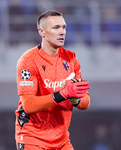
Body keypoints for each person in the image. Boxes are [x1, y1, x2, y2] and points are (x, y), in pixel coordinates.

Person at [15, 10, 90, 150]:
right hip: (33, 137)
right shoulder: (28, 60)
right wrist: (63, 94)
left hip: (61, 140)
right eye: (56, 28)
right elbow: (29, 105)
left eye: (63, 27)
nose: (62, 32)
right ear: (41, 32)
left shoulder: (71, 58)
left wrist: (76, 99)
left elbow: (85, 102)